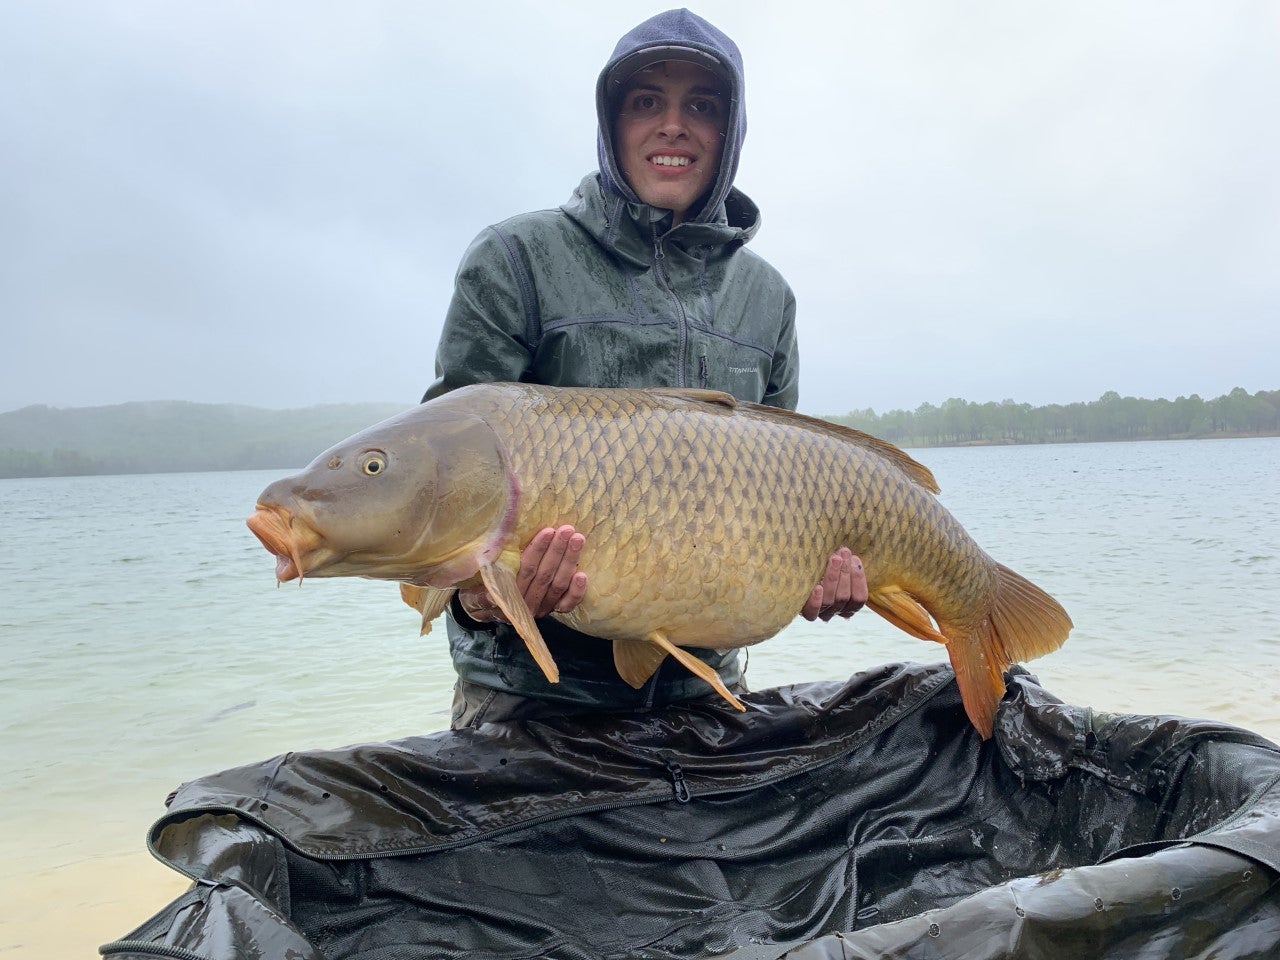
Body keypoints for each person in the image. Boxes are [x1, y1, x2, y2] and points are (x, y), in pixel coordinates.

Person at [423, 8, 867, 728]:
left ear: (732, 132)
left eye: (702, 105)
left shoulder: (769, 297)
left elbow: (798, 480)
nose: (672, 125)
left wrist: (818, 575)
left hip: (709, 693)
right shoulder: (514, 259)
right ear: (610, 121)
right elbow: (440, 492)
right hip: (531, 702)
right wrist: (485, 597)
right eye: (645, 102)